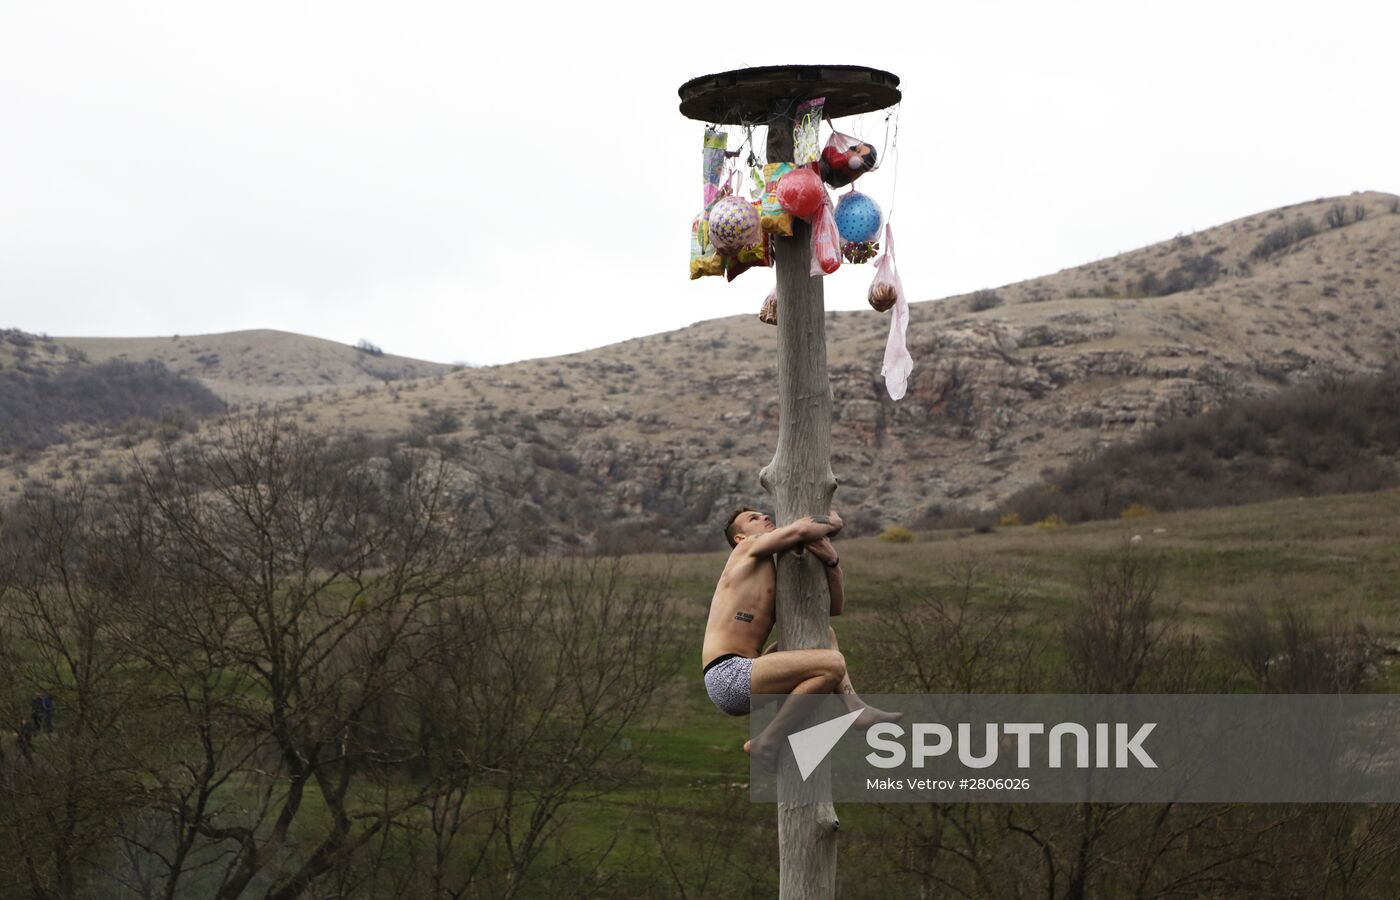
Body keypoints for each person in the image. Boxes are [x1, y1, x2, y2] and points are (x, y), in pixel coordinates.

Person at [703, 506, 900, 767]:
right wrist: (835, 522)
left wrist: (832, 563)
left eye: (761, 513)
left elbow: (833, 608)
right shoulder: (745, 548)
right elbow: (802, 529)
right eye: (753, 519)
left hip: (748, 668)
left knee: (824, 634)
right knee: (833, 664)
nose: (764, 516)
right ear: (739, 538)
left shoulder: (765, 573)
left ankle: (856, 708)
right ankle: (768, 741)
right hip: (729, 674)